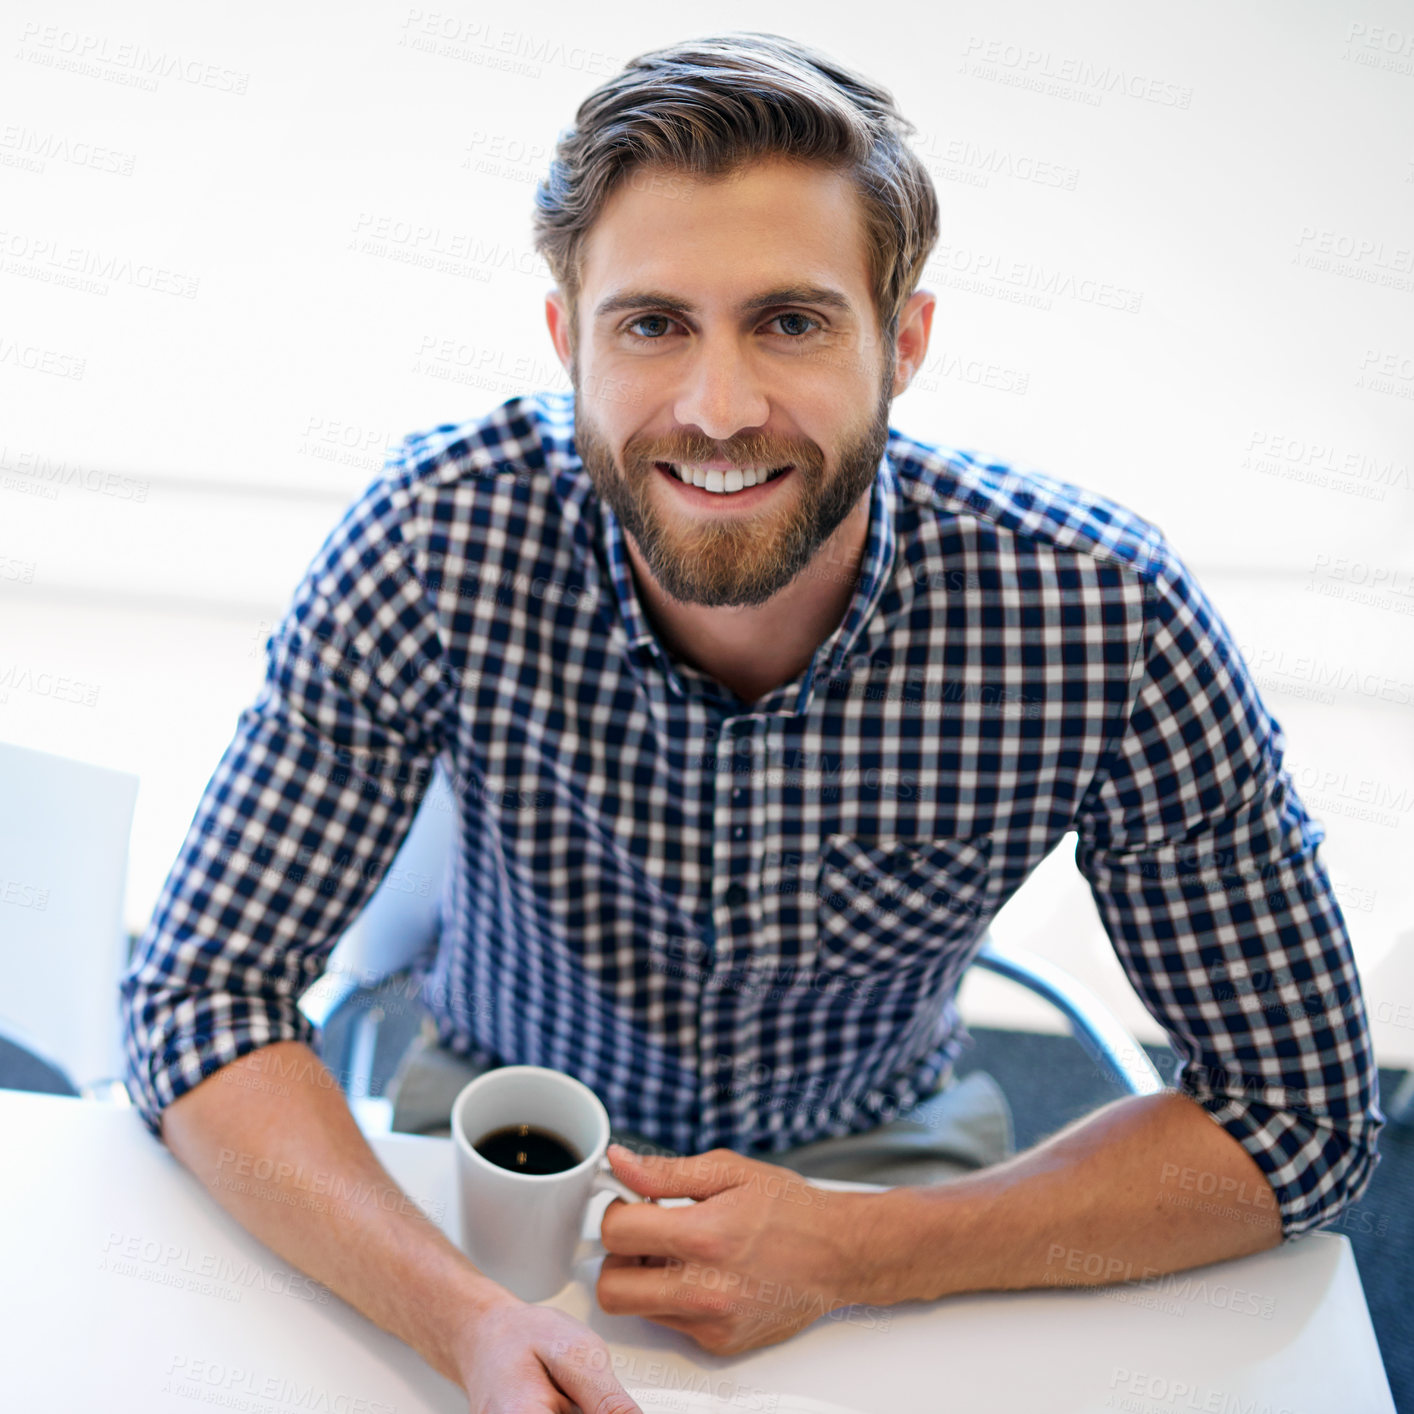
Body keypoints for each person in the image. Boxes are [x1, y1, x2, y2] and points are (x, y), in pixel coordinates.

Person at [119, 30, 1383, 1414]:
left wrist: (858, 1249)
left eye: (790, 321)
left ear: (901, 338)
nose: (717, 411)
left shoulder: (1104, 613)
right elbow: (199, 994)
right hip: (500, 1133)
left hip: (881, 1158)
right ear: (568, 340)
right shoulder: (437, 532)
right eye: (652, 324)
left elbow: (1301, 1116)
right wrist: (460, 1319)